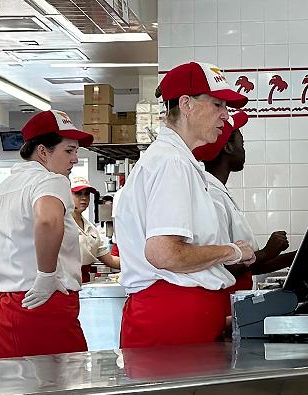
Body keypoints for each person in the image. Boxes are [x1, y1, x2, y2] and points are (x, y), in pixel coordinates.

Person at [114, 62, 256, 349]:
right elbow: (164, 253)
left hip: (181, 313)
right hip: (170, 316)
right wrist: (233, 251)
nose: (225, 115)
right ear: (186, 105)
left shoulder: (179, 161)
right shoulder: (172, 163)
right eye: (217, 104)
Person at [0, 110, 92, 358]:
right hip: (45, 304)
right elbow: (47, 220)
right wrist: (46, 276)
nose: (74, 160)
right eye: (68, 151)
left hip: (6, 308)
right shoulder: (51, 181)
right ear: (42, 152)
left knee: (14, 389)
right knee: (62, 390)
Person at [193, 111, 294, 291]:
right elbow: (221, 268)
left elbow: (254, 265)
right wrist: (266, 252)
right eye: (242, 143)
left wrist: (302, 255)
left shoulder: (220, 192)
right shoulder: (212, 197)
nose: (244, 149)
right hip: (225, 301)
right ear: (228, 147)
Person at [70, 177, 120, 282]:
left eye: (87, 194)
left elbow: (110, 260)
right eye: (78, 194)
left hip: (85, 281)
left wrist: (139, 264)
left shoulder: (91, 229)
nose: (84, 198)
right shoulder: (62, 224)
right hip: (65, 283)